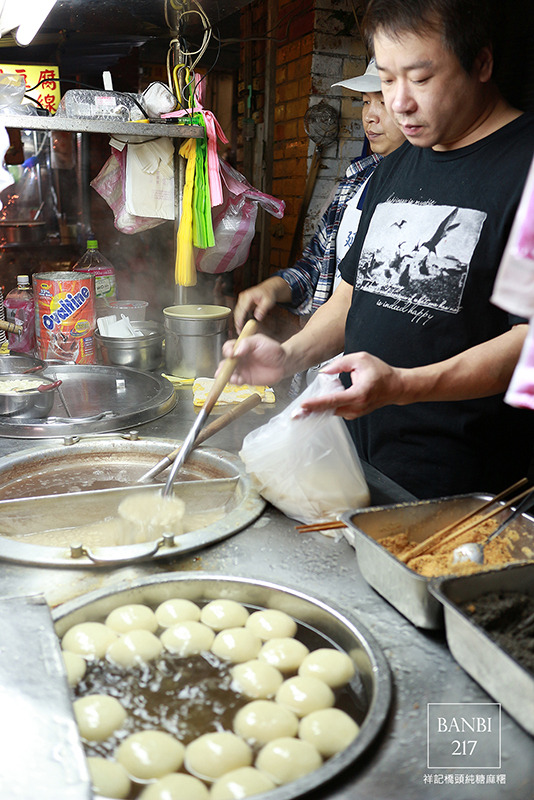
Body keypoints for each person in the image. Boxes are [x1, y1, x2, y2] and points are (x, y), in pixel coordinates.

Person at [222, 0, 534, 500]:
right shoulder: (396, 165)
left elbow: (528, 340)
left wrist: (404, 385)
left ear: (481, 63)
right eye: (387, 80)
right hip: (357, 461)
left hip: (462, 488)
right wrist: (286, 356)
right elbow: (352, 295)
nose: (399, 103)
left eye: (420, 78)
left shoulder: (526, 166)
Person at [233, 59, 405, 332]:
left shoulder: (426, 194)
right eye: (365, 102)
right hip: (328, 351)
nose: (369, 116)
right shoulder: (355, 181)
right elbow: (316, 265)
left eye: (382, 102)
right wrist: (272, 288)